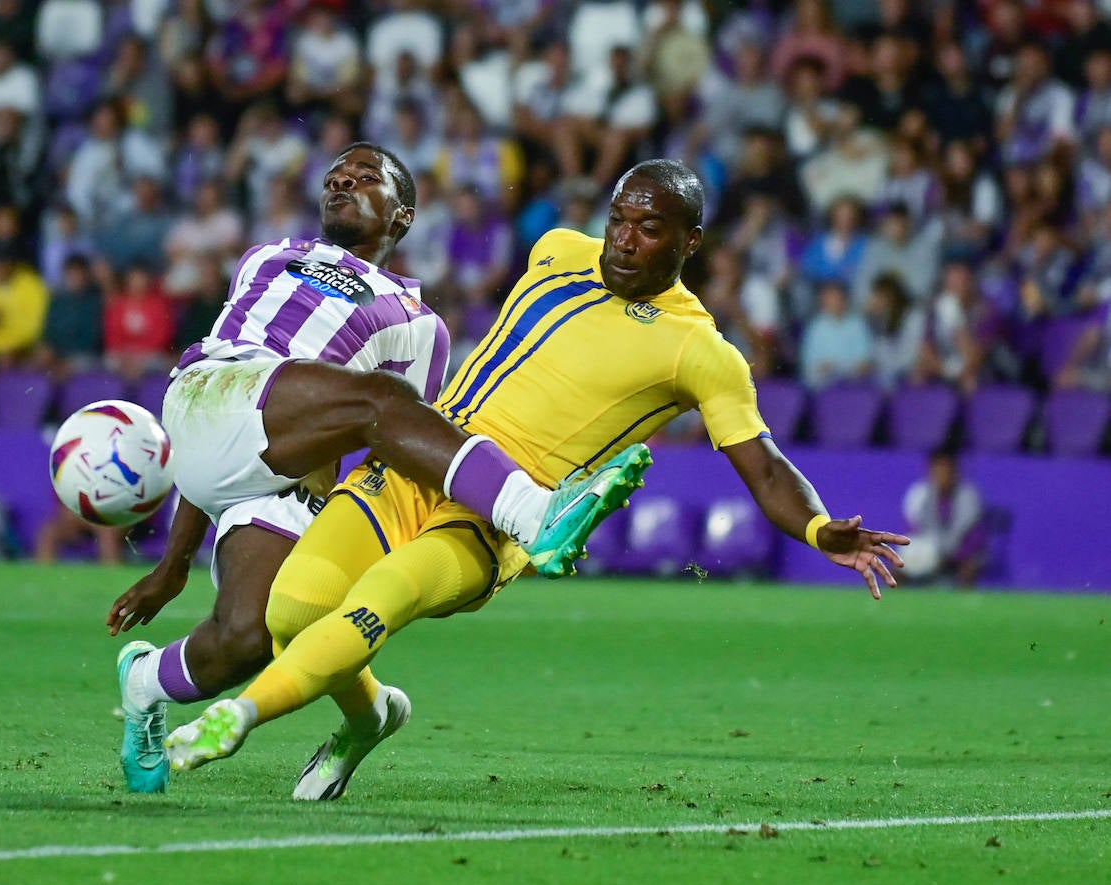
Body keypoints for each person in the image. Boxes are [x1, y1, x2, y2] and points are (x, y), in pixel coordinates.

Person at [159, 160, 911, 800]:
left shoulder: (700, 351)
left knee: (377, 604)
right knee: (293, 612)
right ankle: (369, 720)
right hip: (417, 467)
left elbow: (764, 462)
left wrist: (818, 527)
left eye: (650, 229)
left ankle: (236, 720)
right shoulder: (555, 249)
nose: (625, 238)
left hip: (493, 521)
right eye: (620, 218)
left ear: (690, 242)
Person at [109, 142, 650, 793]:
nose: (343, 182)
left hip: (288, 469)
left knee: (251, 637)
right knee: (382, 403)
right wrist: (173, 564)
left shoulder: (420, 326)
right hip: (215, 393)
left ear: (402, 217)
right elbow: (229, 428)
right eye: (336, 176)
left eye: (366, 178)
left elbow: (399, 449)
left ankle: (144, 682)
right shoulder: (269, 257)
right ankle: (534, 510)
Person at [901, 448, 987, 588]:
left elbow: (975, 537)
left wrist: (953, 557)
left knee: (970, 567)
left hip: (958, 555)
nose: (943, 476)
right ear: (930, 472)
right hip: (928, 552)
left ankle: (966, 605)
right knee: (898, 565)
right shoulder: (918, 495)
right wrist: (932, 553)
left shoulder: (969, 497)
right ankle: (898, 605)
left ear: (955, 472)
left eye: (947, 471)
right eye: (938, 471)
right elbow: (911, 531)